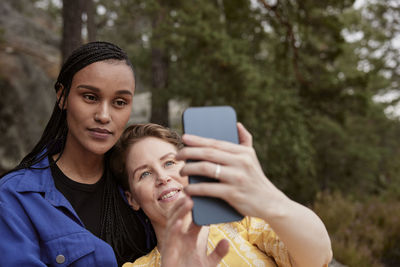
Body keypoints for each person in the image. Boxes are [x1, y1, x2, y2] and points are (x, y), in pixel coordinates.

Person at [0, 41, 155, 266]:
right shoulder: (14, 198)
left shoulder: (138, 184)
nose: (104, 115)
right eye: (90, 97)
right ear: (62, 97)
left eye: (119, 102)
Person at [110, 123, 333, 267]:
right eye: (145, 173)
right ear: (132, 199)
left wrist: (269, 197)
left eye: (169, 162)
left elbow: (319, 257)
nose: (162, 177)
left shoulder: (243, 224)